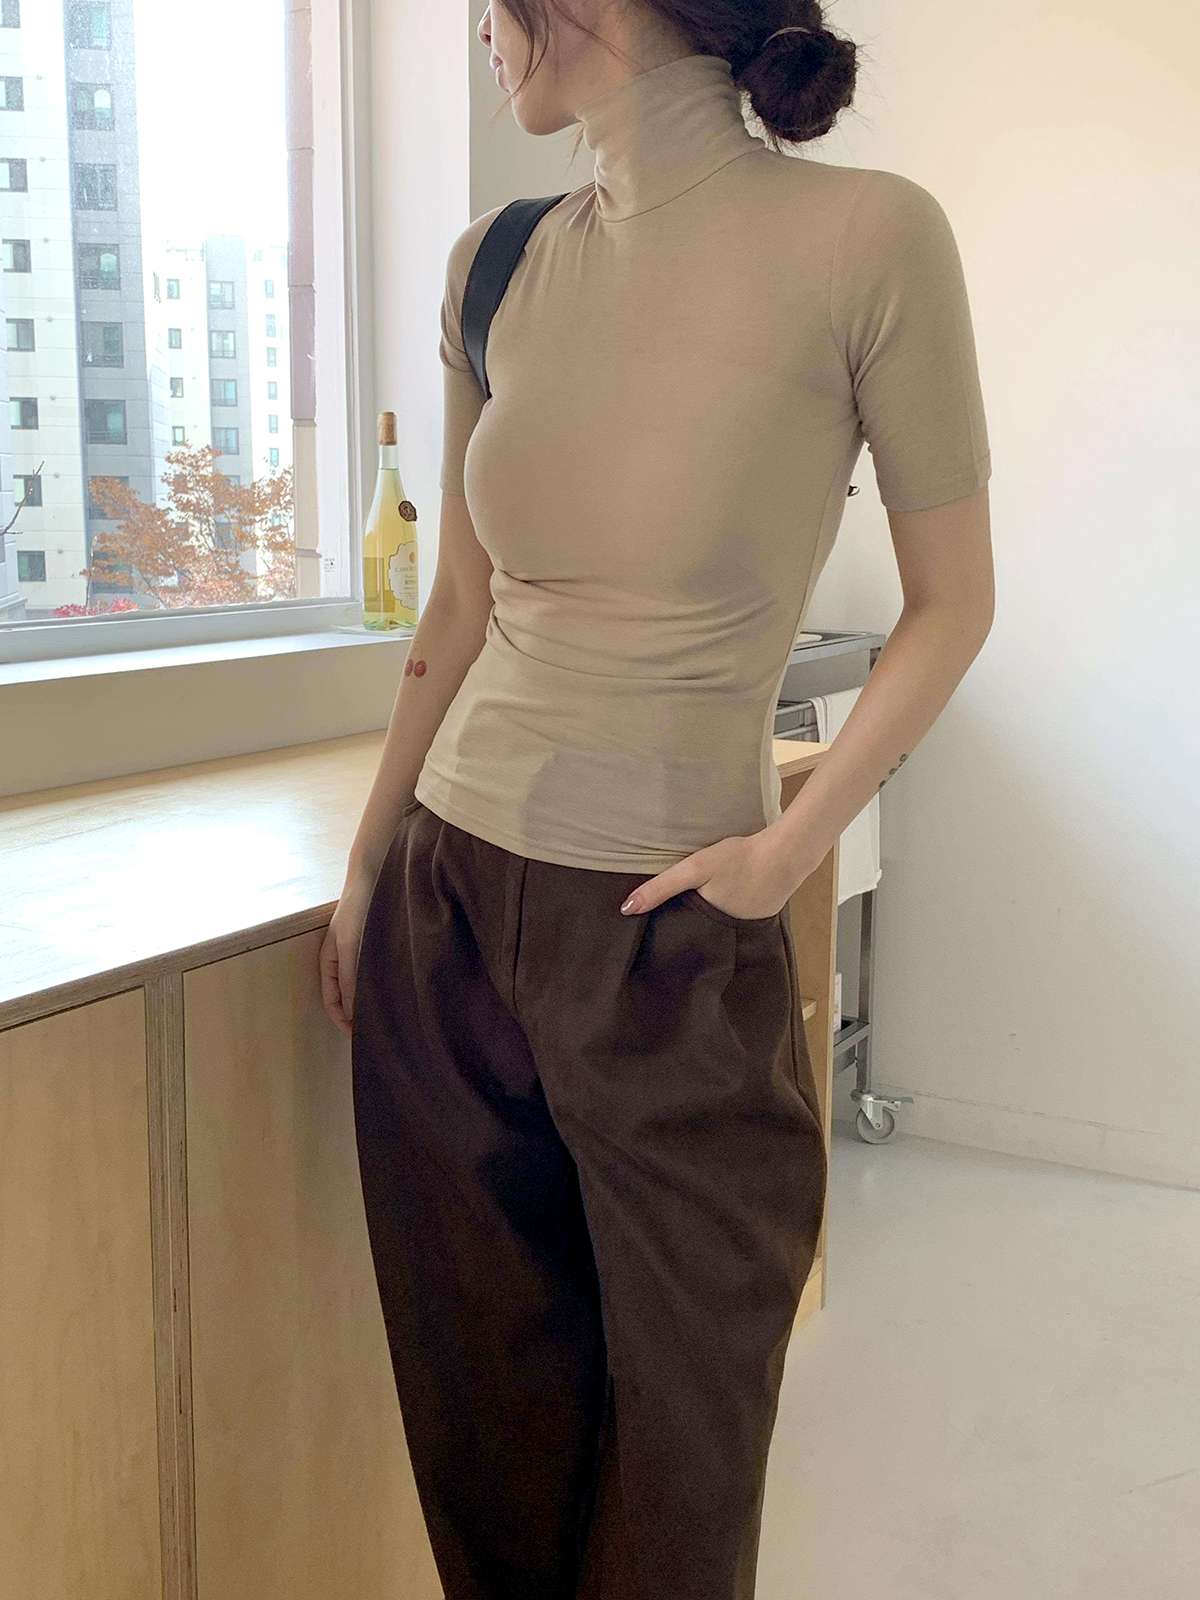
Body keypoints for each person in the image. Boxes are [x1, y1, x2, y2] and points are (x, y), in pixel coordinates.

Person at [321, 2, 994, 1595]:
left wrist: (792, 846)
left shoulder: (872, 237)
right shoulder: (494, 262)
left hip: (671, 926)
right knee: (487, 1440)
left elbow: (952, 603)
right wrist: (370, 869)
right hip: (449, 912)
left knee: (684, 1469)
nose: (479, 31)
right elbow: (460, 610)